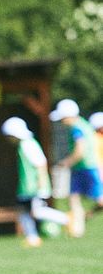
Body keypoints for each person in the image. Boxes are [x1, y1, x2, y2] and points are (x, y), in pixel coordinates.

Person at [0, 117, 70, 247]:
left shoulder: (28, 144)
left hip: (35, 187)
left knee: (37, 211)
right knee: (23, 212)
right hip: (26, 188)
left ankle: (66, 219)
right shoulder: (23, 145)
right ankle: (32, 237)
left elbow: (40, 164)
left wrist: (41, 184)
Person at [49, 99, 103, 236]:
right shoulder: (84, 125)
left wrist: (67, 162)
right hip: (82, 168)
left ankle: (78, 227)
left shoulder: (77, 129)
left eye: (62, 118)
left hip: (87, 168)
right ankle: (77, 230)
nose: (61, 122)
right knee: (73, 197)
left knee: (99, 199)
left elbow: (80, 150)